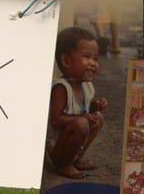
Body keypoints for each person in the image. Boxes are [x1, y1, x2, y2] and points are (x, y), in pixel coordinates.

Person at [46, 26, 107, 179]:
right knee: (81, 123)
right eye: (87, 57)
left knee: (98, 117)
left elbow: (84, 111)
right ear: (66, 60)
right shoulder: (61, 88)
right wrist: (83, 118)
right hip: (58, 147)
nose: (93, 63)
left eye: (95, 58)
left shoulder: (87, 86)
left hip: (74, 138)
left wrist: (95, 106)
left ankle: (76, 158)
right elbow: (55, 120)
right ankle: (64, 164)